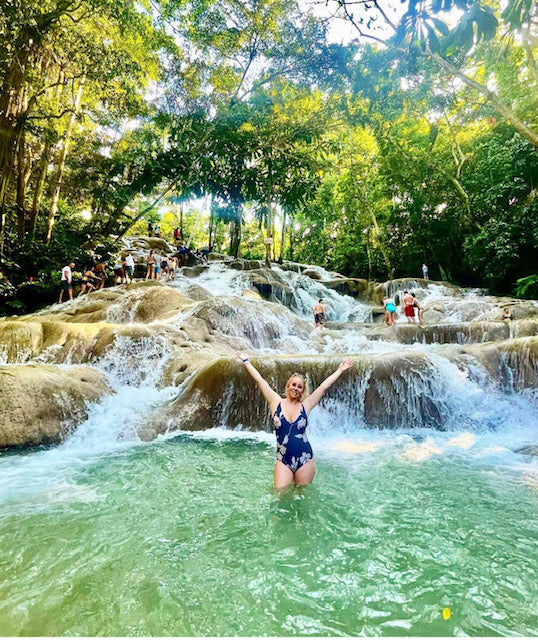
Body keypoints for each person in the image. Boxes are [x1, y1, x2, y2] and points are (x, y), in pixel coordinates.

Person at [238, 354, 354, 488]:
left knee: (302, 497)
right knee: (280, 495)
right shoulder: (275, 402)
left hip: (305, 458)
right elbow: (260, 381)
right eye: (294, 385)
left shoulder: (306, 405)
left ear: (302, 391)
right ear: (288, 386)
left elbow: (323, 387)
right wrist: (246, 362)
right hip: (283, 459)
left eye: (299, 387)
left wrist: (340, 370)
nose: (296, 388)